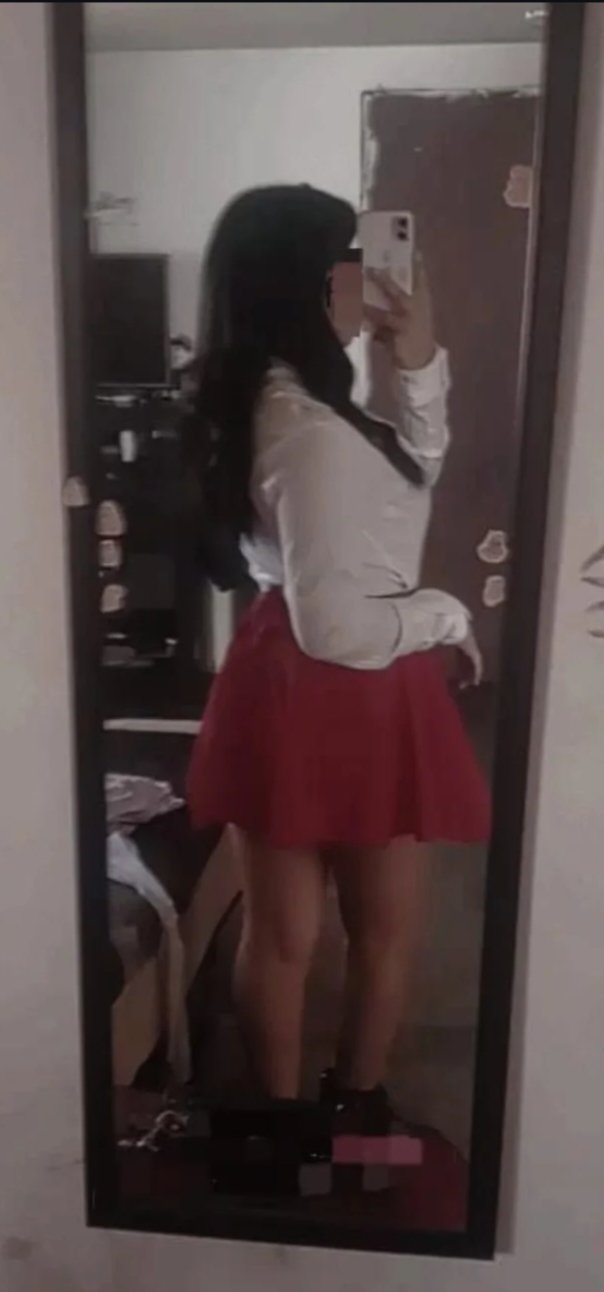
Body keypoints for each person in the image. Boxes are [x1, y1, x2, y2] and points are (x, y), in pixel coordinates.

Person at [184, 185, 490, 1117]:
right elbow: (341, 628)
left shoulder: (291, 406)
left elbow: (411, 470)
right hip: (347, 672)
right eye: (355, 261)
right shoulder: (310, 431)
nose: (372, 278)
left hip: (296, 669)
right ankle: (330, 1121)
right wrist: (446, 615)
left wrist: (419, 357)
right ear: (312, 281)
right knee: (350, 934)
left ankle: (304, 1126)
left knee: (298, 934)